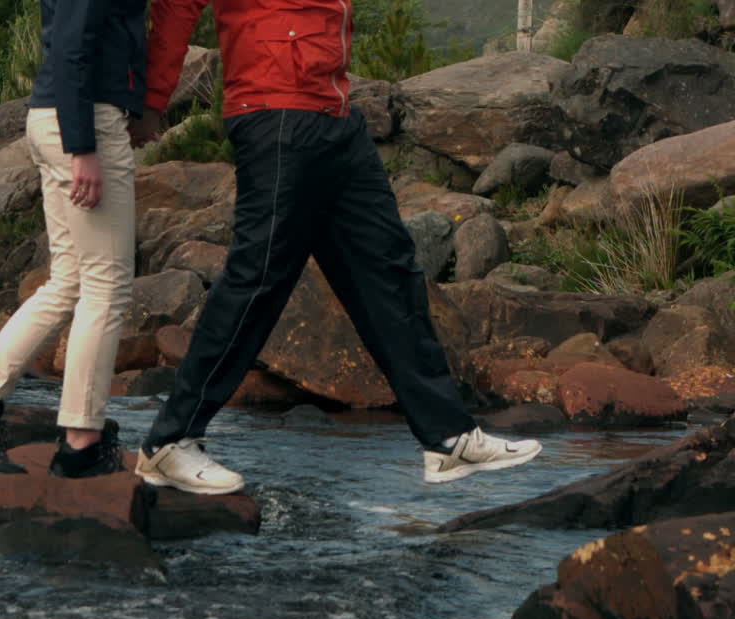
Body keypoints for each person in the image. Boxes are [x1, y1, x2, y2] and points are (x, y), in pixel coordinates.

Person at [128, 0, 542, 493]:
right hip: (274, 112)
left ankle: (448, 438)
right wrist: (152, 98)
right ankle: (170, 441)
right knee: (258, 278)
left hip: (336, 114)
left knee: (390, 275)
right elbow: (177, 6)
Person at [0, 0, 146, 479]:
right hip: (83, 120)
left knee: (68, 282)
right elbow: (72, 46)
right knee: (106, 286)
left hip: (61, 115)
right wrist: (83, 147)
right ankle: (81, 444)